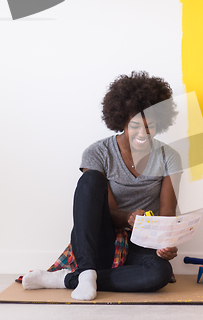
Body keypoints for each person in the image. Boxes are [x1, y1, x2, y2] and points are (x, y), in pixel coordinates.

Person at [22, 71, 182, 301]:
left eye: (150, 126)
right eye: (135, 124)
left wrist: (167, 244)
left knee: (160, 274)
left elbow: (167, 213)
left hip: (143, 241)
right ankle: (86, 271)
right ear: (122, 121)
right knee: (90, 180)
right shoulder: (98, 153)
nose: (142, 133)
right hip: (101, 240)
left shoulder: (170, 156)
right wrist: (128, 217)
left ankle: (66, 279)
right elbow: (101, 212)